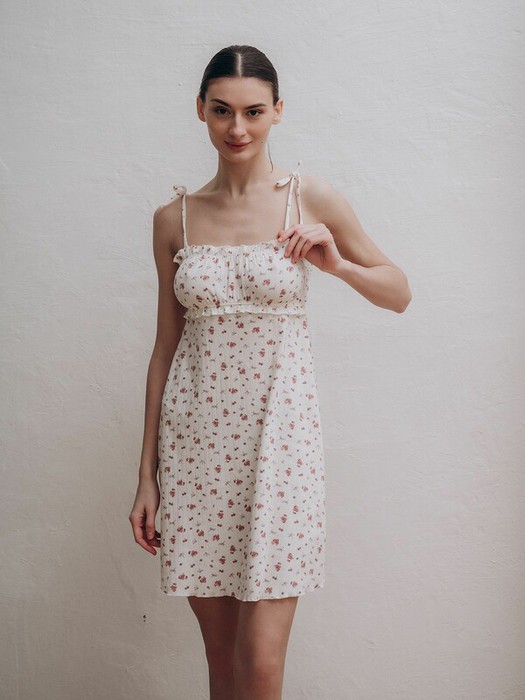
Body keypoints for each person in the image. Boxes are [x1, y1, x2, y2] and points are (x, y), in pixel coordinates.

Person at [129, 44, 412, 700]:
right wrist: (146, 477)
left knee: (259, 665)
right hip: (196, 451)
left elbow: (398, 292)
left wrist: (337, 265)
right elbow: (164, 349)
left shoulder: (308, 197)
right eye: (222, 110)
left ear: (278, 111)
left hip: (280, 449)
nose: (237, 128)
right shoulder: (174, 220)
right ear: (200, 110)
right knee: (222, 663)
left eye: (253, 112)